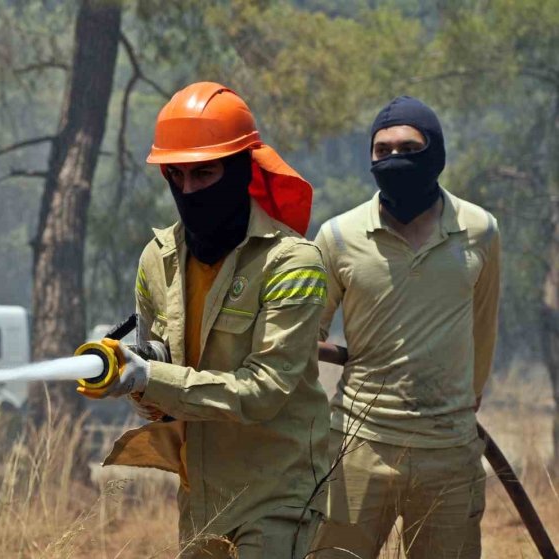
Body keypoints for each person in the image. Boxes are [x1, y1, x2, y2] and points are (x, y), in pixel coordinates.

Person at [79, 82, 331, 558]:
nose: (189, 190)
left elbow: (264, 391)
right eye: (176, 176)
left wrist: (151, 377)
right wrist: (133, 377)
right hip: (199, 498)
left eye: (204, 173)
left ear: (240, 170)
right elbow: (160, 383)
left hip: (278, 495)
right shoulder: (157, 259)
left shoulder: (293, 263)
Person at [311, 96, 500, 558]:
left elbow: (483, 325)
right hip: (357, 448)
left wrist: (467, 398)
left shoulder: (480, 231)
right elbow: (306, 335)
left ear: (435, 153)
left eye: (409, 148)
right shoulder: (337, 237)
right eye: (382, 151)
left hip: (449, 452)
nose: (394, 159)